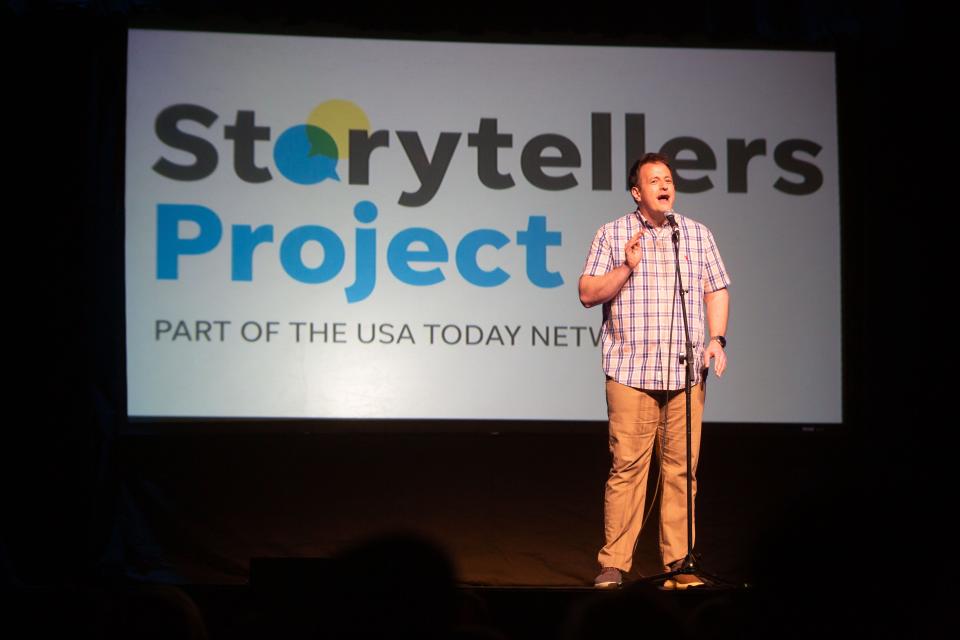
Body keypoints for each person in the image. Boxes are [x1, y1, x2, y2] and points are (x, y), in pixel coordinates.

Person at [579, 153, 730, 589]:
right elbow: (588, 293)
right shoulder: (613, 233)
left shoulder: (696, 235)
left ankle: (679, 565)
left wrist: (716, 339)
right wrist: (627, 266)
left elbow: (716, 289)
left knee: (683, 471)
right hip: (630, 372)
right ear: (636, 192)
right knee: (627, 468)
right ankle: (614, 564)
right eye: (654, 180)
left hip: (684, 376)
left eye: (669, 179)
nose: (665, 186)